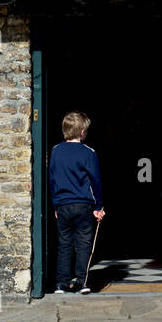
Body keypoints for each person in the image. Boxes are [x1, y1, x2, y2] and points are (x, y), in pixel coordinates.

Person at [49, 110, 106, 294]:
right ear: (82, 131)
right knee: (83, 243)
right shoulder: (88, 153)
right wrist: (99, 206)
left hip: (63, 203)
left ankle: (61, 283)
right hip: (83, 204)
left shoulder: (56, 151)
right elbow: (95, 181)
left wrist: (55, 204)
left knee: (64, 243)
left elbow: (53, 179)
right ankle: (83, 282)